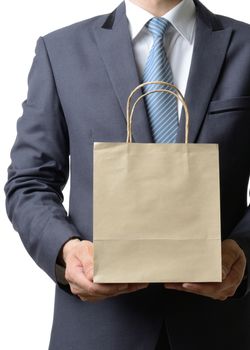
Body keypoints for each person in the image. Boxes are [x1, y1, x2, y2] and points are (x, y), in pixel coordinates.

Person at [4, 0, 250, 348]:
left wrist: (244, 250)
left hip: (218, 328)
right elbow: (29, 181)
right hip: (98, 329)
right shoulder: (60, 51)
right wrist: (65, 250)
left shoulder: (245, 46)